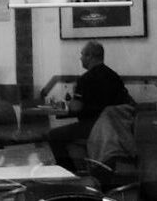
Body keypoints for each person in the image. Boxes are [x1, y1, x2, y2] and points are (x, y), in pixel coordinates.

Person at [47, 40, 134, 172]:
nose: (80, 58)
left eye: (82, 55)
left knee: (53, 135)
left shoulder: (85, 79)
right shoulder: (114, 76)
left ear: (90, 56)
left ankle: (68, 174)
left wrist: (69, 101)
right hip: (116, 127)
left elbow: (76, 108)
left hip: (93, 126)